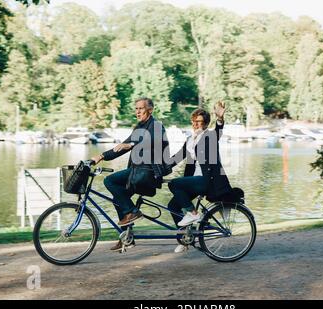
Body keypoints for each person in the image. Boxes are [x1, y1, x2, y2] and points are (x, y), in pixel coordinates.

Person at [91, 97, 170, 251]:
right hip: (138, 173)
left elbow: (154, 142)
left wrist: (132, 144)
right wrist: (101, 157)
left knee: (109, 181)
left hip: (148, 173)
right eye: (136, 109)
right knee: (118, 199)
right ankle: (128, 238)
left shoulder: (157, 126)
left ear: (150, 110)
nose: (138, 111)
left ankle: (133, 211)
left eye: (141, 108)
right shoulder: (138, 128)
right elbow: (122, 147)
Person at [166, 101, 232, 253]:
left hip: (206, 180)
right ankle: (185, 238)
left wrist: (220, 119)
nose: (195, 124)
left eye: (199, 122)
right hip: (194, 181)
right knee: (173, 206)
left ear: (206, 123)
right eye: (194, 121)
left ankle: (194, 213)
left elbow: (218, 131)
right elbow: (177, 158)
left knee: (175, 184)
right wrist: (159, 170)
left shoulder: (209, 136)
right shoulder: (190, 139)